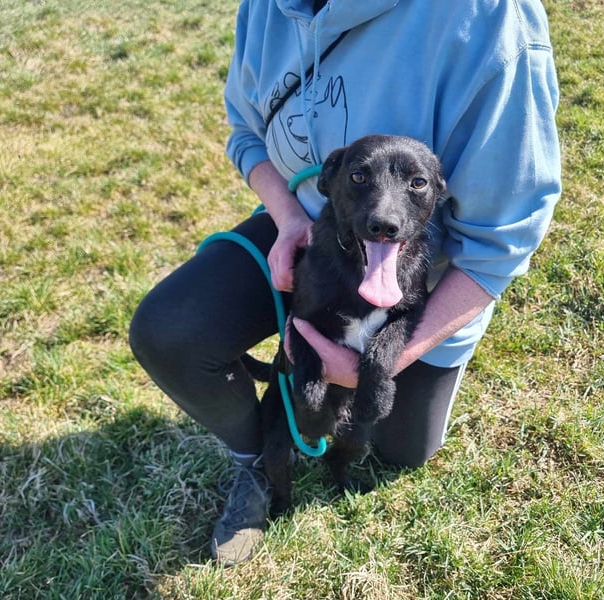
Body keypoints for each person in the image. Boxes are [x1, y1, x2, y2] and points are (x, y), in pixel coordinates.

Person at [129, 0, 561, 566]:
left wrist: (384, 362)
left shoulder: (487, 19)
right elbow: (246, 134)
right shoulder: (265, 8)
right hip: (314, 230)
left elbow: (501, 242)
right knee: (170, 331)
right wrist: (289, 219)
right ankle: (257, 457)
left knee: (401, 451)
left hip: (421, 270)